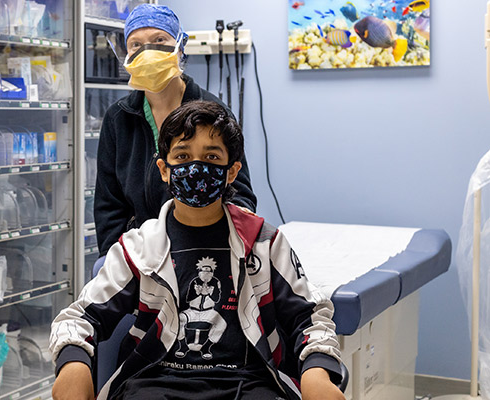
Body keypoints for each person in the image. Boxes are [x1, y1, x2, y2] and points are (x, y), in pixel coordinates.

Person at [50, 100, 344, 400]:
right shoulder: (139, 248)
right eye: (183, 155)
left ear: (232, 172)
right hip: (154, 382)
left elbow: (309, 316)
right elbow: (79, 318)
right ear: (164, 169)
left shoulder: (263, 242)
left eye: (212, 156)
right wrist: (73, 365)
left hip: (248, 383)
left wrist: (317, 371)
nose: (196, 167)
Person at [94, 4, 257, 258]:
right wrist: (114, 260)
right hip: (140, 252)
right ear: (127, 54)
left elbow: (241, 197)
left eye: (159, 40)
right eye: (136, 44)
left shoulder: (213, 113)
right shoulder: (118, 119)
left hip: (202, 250)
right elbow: (108, 204)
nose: (146, 51)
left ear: (180, 46)